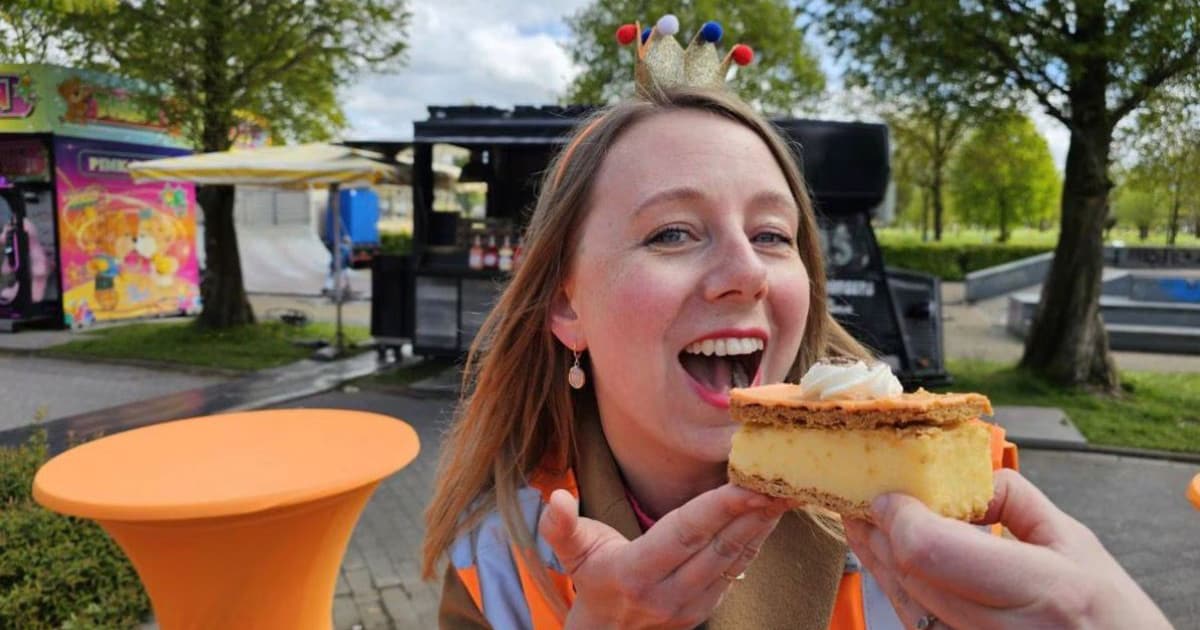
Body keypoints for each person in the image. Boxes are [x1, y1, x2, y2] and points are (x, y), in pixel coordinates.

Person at [420, 87, 1174, 629]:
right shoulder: (497, 564)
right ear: (565, 305)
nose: (746, 271)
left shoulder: (961, 513)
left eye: (773, 235)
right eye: (672, 233)